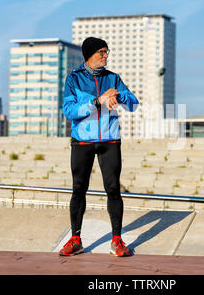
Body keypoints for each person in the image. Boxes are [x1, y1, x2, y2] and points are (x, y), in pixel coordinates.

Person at [59, 37, 139, 257]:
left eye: (107, 51)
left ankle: (117, 239)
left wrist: (118, 95)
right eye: (102, 52)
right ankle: (76, 239)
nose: (106, 55)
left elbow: (133, 103)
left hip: (110, 141)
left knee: (113, 189)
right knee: (78, 189)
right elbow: (69, 110)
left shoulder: (113, 78)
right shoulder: (73, 79)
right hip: (82, 142)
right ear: (90, 54)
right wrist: (97, 101)